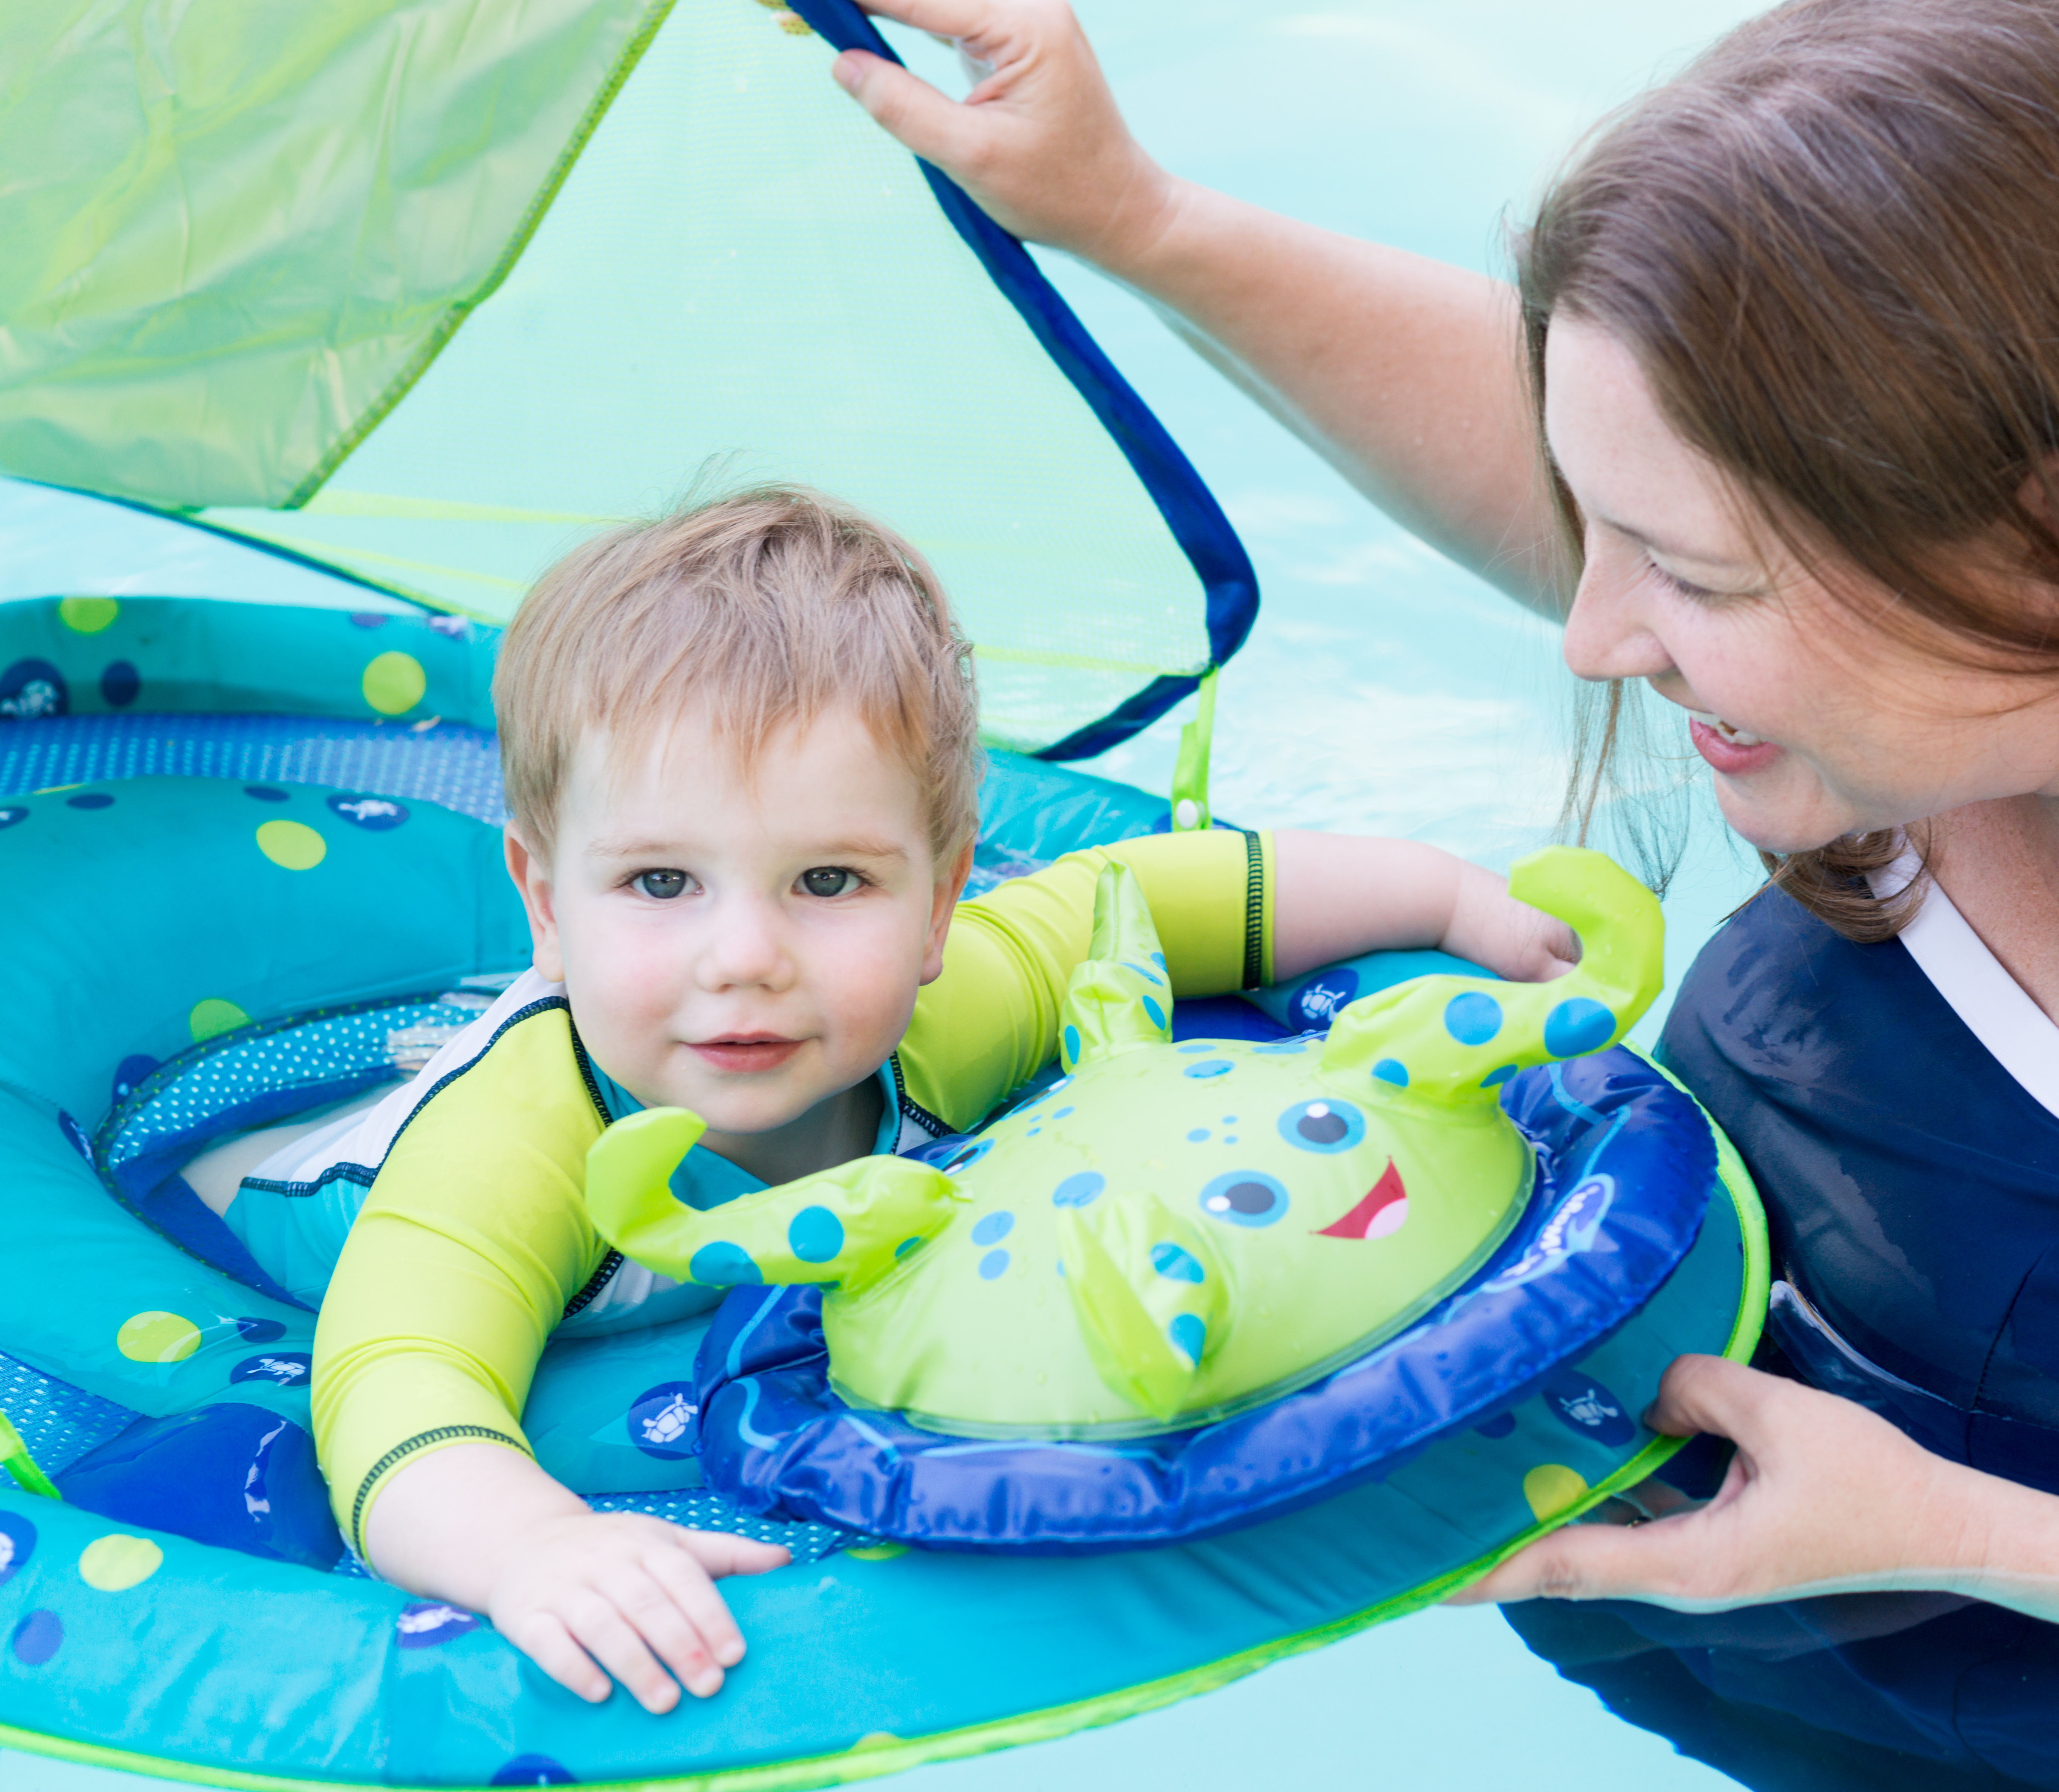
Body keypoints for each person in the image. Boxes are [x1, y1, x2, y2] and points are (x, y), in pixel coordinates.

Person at [825, 0, 2059, 1694]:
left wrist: (1967, 1532)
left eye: (1694, 578)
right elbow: (1618, 470)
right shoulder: (2030, 630)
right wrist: (1136, 216)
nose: (1590, 636)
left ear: (2047, 534)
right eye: (1602, 529)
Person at [282, 485, 1578, 1714]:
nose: (747, 956)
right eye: (662, 885)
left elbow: (1163, 897)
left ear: (942, 900)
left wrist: (1453, 901)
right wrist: (531, 1548)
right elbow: (396, 1382)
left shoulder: (944, 1015)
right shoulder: (516, 1149)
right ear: (548, 904)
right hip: (312, 1194)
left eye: (831, 883)